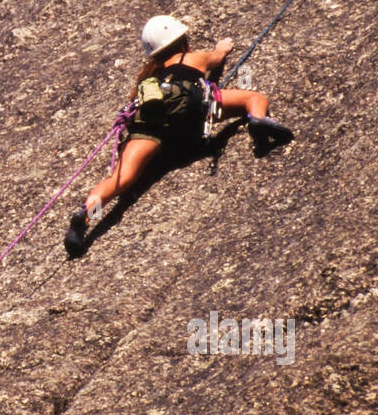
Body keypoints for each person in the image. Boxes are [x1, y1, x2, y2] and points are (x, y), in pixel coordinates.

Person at [64, 15, 292, 255]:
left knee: (121, 181)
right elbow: (217, 58)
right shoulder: (193, 57)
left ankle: (87, 216)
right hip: (189, 117)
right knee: (253, 97)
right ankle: (256, 120)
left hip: (149, 128)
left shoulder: (148, 77)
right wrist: (221, 48)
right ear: (181, 41)